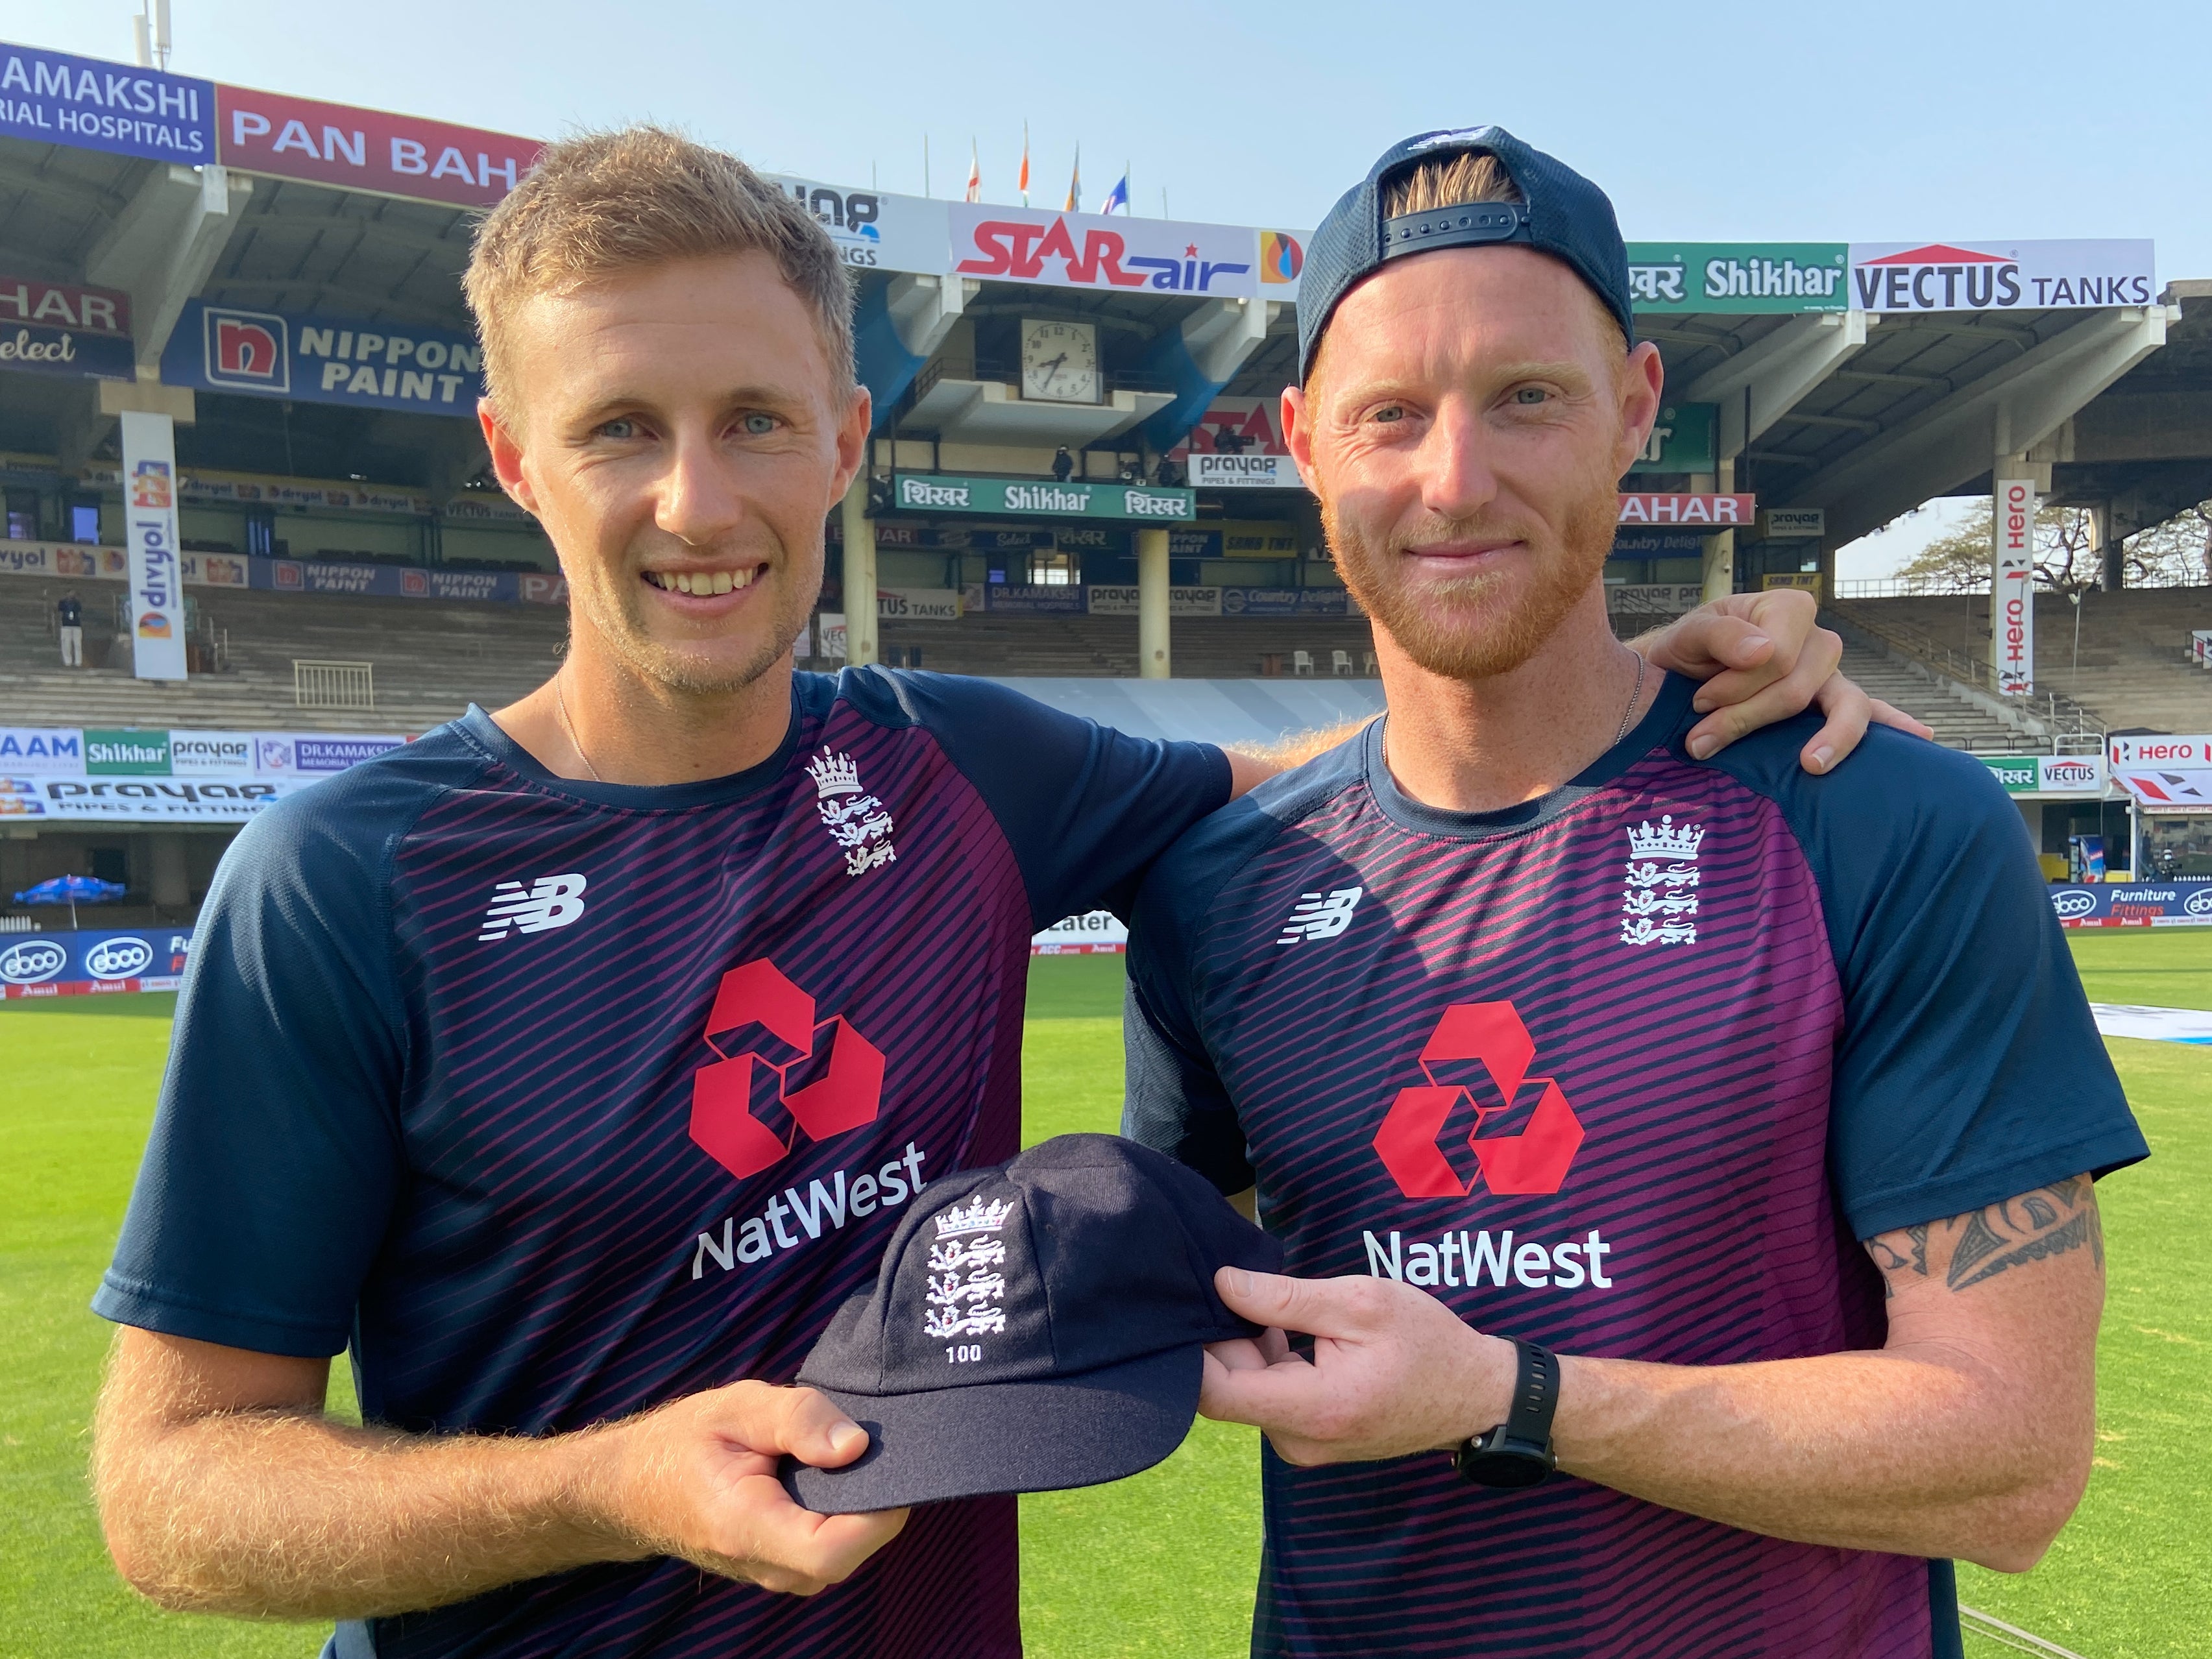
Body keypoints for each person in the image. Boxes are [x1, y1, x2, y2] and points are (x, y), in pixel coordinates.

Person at [88, 127, 1900, 1659]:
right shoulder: (341, 883)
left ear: (847, 439)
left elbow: (1357, 776)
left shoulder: (953, 767)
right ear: (511, 457)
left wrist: (1648, 670)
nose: (697, 500)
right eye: (620, 427)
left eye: (753, 421)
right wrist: (604, 1480)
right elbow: (172, 1491)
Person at [1121, 128, 2150, 1659]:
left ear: (1638, 411)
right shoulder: (1217, 888)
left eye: (1525, 397)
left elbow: (2011, 1460)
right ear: (1303, 441)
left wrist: (1511, 1391)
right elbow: (1162, 1296)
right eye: (1390, 411)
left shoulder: (1885, 825)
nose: (1454, 479)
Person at [57, 588, 83, 667]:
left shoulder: (77, 603)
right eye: (70, 593)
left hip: (76, 625)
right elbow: (60, 611)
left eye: (73, 593)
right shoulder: (62, 602)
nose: (72, 595)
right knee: (66, 644)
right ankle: (68, 661)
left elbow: (80, 612)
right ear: (67, 594)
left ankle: (78, 662)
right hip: (66, 625)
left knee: (78, 644)